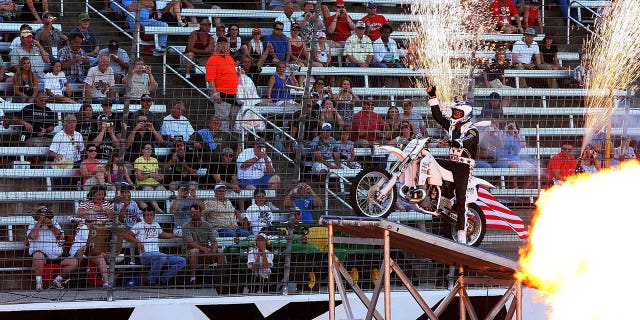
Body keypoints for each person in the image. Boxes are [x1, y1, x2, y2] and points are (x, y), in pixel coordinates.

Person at [426, 85, 479, 244]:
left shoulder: (472, 130)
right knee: (429, 160)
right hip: (451, 163)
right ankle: (435, 197)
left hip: (464, 167)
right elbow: (438, 116)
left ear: (466, 115)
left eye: (458, 113)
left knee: (461, 198)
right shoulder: (451, 125)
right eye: (454, 112)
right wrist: (432, 96)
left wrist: (452, 141)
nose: (455, 114)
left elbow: (465, 141)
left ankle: (462, 234)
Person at [51, 213, 112, 289]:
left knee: (100, 258)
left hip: (90, 253)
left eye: (94, 221)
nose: (93, 223)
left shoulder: (97, 230)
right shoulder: (84, 228)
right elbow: (90, 244)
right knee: (85, 248)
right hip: (76, 253)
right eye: (90, 221)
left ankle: (106, 283)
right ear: (86, 222)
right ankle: (57, 280)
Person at [127, 207, 186, 286]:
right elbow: (127, 236)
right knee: (161, 257)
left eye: (151, 215)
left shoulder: (156, 224)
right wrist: (138, 242)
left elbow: (163, 234)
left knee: (182, 260)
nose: (149, 217)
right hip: (145, 255)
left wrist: (176, 235)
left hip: (158, 255)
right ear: (143, 216)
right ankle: (150, 280)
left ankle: (163, 279)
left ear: (154, 216)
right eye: (147, 215)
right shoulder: (139, 225)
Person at [182, 204, 226, 285]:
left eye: (196, 212)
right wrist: (205, 249)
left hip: (205, 251)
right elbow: (191, 243)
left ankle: (220, 277)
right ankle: (192, 278)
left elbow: (214, 242)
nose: (194, 214)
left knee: (220, 251)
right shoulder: (185, 226)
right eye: (192, 212)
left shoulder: (208, 225)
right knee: (194, 251)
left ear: (201, 213)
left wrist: (213, 250)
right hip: (189, 251)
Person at [206, 36, 241, 132]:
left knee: (235, 121)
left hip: (234, 95)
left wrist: (238, 73)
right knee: (222, 121)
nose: (224, 46)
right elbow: (210, 79)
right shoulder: (212, 60)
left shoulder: (229, 57)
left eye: (225, 44)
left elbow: (233, 72)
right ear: (217, 45)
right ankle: (223, 142)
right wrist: (215, 94)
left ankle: (233, 143)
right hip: (221, 95)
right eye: (221, 44)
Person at [27, 206, 64, 291]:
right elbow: (33, 236)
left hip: (56, 253)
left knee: (73, 262)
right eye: (41, 215)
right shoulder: (33, 224)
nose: (44, 217)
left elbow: (61, 237)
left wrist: (50, 225)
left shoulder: (53, 222)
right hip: (41, 253)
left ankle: (56, 281)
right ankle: (39, 283)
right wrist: (39, 222)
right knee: (38, 256)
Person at [495, 121, 534, 189]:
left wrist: (516, 133)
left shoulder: (519, 136)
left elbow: (522, 145)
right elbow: (501, 145)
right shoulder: (502, 134)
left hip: (516, 159)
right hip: (503, 158)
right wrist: (505, 131)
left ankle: (524, 190)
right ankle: (515, 187)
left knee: (532, 168)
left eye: (512, 126)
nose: (511, 128)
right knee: (514, 165)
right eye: (510, 126)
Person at [134, 143, 166, 212]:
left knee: (164, 191)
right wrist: (149, 175)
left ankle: (166, 210)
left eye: (150, 149)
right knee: (149, 190)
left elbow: (156, 176)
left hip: (155, 183)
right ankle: (159, 210)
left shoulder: (154, 160)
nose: (149, 150)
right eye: (147, 149)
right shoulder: (138, 160)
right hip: (143, 184)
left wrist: (160, 178)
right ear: (142, 150)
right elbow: (139, 177)